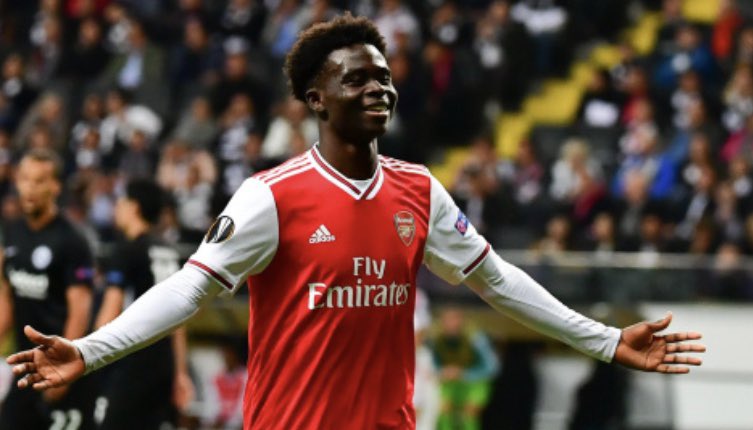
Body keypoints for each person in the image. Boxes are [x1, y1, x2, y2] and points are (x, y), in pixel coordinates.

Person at [8, 14, 705, 430]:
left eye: (383, 76)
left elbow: (497, 281)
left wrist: (605, 341)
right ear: (316, 99)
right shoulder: (270, 196)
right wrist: (89, 350)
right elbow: (189, 290)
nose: (378, 88)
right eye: (356, 79)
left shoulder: (418, 190)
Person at [0, 148, 96, 429]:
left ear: (55, 187)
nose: (30, 188)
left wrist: (63, 370)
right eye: (25, 179)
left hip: (62, 370)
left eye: (39, 180)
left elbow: (80, 311)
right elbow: (6, 301)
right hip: (25, 368)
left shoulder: (72, 240)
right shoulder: (13, 232)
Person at [92, 179, 193, 429]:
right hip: (164, 364)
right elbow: (179, 318)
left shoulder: (127, 250)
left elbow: (110, 311)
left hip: (131, 364)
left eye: (121, 201)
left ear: (134, 207)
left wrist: (89, 355)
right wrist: (180, 372)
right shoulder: (168, 251)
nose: (117, 207)